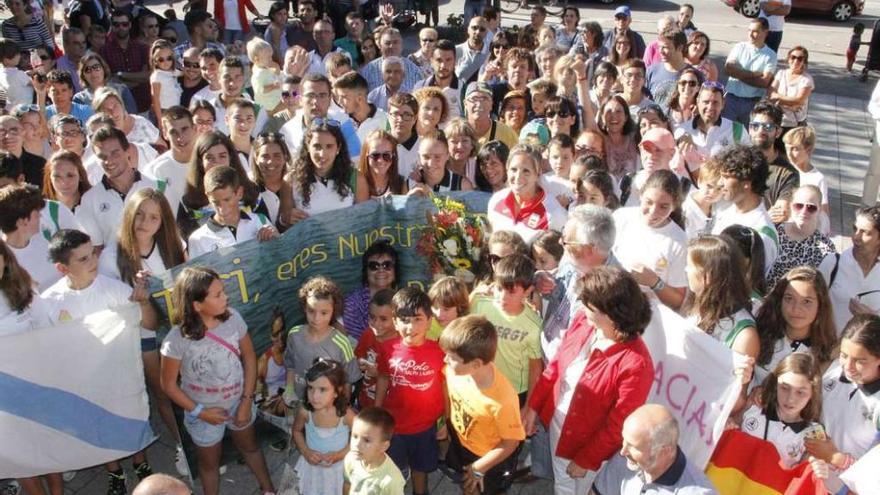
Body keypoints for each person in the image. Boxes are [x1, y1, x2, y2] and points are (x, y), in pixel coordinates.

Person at [38, 228, 159, 494]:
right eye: (83, 259)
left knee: (132, 419)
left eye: (92, 254)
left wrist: (143, 303)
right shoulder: (50, 302)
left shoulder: (113, 289)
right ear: (62, 267)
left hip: (121, 375)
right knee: (98, 426)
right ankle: (114, 472)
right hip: (84, 381)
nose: (93, 262)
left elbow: (149, 323)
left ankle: (141, 464)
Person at [524, 266, 654, 494]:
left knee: (578, 489)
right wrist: (533, 407)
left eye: (589, 305)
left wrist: (587, 460)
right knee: (562, 484)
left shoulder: (636, 364)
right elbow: (556, 365)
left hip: (588, 443)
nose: (582, 308)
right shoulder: (583, 320)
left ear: (612, 314)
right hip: (558, 427)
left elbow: (617, 425)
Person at [159, 266, 276, 495]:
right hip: (202, 413)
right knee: (209, 464)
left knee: (250, 447)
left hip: (238, 402)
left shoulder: (234, 319)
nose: (226, 297)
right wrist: (201, 413)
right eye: (218, 294)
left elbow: (250, 358)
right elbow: (168, 385)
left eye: (223, 291)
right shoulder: (176, 340)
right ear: (196, 305)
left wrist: (246, 400)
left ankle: (268, 489)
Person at [440, 315, 527, 495]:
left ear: (476, 364)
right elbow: (446, 387)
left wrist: (480, 467)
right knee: (468, 483)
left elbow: (510, 443)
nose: (445, 360)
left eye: (452, 357)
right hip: (462, 442)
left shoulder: (503, 400)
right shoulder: (454, 371)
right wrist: (445, 420)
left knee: (486, 489)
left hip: (490, 458)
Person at [374, 287, 445, 495]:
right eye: (404, 320)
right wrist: (377, 411)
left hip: (425, 427)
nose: (410, 326)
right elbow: (383, 377)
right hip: (395, 425)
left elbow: (446, 387)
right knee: (392, 470)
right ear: (395, 321)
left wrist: (445, 422)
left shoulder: (439, 351)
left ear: (429, 321)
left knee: (420, 469)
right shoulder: (388, 349)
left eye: (417, 319)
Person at [75, 126, 175, 249]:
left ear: (127, 151)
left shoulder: (159, 188)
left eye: (114, 153)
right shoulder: (89, 199)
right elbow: (97, 249)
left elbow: (173, 235)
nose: (108, 161)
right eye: (102, 156)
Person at [592, 404, 715, 494]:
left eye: (634, 447)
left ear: (665, 451)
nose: (623, 451)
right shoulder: (626, 460)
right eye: (624, 440)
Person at [470, 254, 543, 405]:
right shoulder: (481, 305)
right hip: (483, 384)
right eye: (499, 288)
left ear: (528, 291)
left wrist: (529, 407)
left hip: (515, 391)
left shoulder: (533, 325)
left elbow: (535, 368)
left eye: (511, 292)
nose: (502, 297)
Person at [808, 314, 880, 465]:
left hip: (845, 487)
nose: (848, 366)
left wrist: (837, 458)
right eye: (844, 355)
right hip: (811, 476)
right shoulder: (830, 371)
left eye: (860, 361)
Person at [684, 234, 759, 376]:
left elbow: (739, 396)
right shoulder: (697, 306)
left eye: (689, 266)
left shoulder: (744, 335)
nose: (686, 270)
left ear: (708, 274)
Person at [612, 170, 688, 309]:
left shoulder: (680, 243)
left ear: (674, 206)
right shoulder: (620, 217)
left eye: (663, 206)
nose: (653, 211)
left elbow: (678, 301)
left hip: (645, 314)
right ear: (640, 195)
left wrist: (654, 281)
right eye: (649, 202)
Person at [283, 275, 362, 403]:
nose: (316, 318)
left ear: (333, 311)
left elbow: (349, 380)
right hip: (299, 401)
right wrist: (289, 389)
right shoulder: (294, 335)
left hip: (329, 407)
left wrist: (342, 407)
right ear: (304, 308)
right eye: (311, 311)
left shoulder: (341, 343)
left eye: (324, 313)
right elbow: (290, 365)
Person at [755, 266, 838, 379]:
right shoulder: (759, 334)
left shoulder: (827, 352)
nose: (796, 309)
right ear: (780, 300)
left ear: (820, 305)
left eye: (806, 301)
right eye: (789, 299)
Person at [291, 359, 356, 495]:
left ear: (337, 391)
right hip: (312, 469)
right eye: (310, 388)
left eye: (322, 390)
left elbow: (358, 439)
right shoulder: (305, 412)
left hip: (338, 470)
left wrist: (339, 455)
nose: (314, 396)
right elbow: (296, 431)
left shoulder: (346, 415)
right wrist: (305, 451)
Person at [711, 145, 779, 271]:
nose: (720, 183)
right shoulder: (726, 212)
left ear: (746, 183)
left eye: (726, 177)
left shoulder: (762, 234)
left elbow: (751, 284)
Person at [187, 166, 279, 258]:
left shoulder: (260, 221)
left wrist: (277, 238)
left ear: (239, 193)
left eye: (227, 200)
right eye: (215, 202)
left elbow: (279, 257)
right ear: (208, 196)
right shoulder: (198, 239)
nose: (222, 209)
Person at [487, 145, 567, 246]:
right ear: (506, 170)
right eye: (513, 169)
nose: (518, 177)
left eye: (526, 171)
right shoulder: (496, 200)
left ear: (537, 174)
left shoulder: (554, 214)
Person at [818, 206, 880, 333]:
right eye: (855, 229)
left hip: (865, 349)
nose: (856, 237)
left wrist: (872, 319)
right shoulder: (833, 263)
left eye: (865, 232)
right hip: (826, 345)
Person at [290, 120, 367, 216]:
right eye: (317, 146)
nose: (322, 154)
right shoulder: (290, 181)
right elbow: (283, 226)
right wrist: (285, 221)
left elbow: (364, 222)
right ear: (308, 147)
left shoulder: (356, 178)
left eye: (329, 146)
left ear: (338, 148)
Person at [766, 186, 836, 288]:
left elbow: (823, 289)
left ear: (820, 209)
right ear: (790, 205)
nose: (804, 212)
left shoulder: (826, 249)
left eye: (811, 207)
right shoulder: (773, 234)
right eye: (799, 206)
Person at [674, 81, 750, 173]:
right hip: (691, 185)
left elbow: (747, 164)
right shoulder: (681, 130)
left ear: (723, 104)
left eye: (715, 103)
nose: (710, 107)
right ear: (698, 101)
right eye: (706, 102)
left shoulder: (738, 130)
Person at [0, 181, 60, 289]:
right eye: (36, 213)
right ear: (22, 222)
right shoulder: (3, 260)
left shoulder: (45, 242)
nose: (40, 215)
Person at [723, 18, 777, 124]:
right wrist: (753, 74)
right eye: (749, 30)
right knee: (726, 134)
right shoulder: (739, 47)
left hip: (752, 103)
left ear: (765, 32)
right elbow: (728, 69)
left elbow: (764, 82)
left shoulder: (771, 55)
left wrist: (737, 74)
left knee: (747, 137)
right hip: (731, 99)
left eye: (755, 31)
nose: (751, 34)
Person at [343, 239, 400, 341]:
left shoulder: (403, 300)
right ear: (366, 271)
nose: (381, 270)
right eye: (374, 266)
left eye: (387, 265)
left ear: (395, 270)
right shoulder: (352, 304)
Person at [344, 406, 406, 495]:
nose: (357, 444)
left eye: (366, 440)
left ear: (383, 446)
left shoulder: (392, 480)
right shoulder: (350, 458)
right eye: (355, 436)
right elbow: (347, 484)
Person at [353, 289, 398, 409]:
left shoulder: (402, 344)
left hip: (390, 408)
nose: (376, 324)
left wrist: (378, 374)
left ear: (397, 318)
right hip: (365, 400)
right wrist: (361, 363)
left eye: (383, 319)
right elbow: (359, 355)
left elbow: (401, 381)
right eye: (372, 317)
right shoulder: (368, 334)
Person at [100, 9, 151, 113]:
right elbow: (109, 81)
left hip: (144, 105)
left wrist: (121, 75)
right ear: (112, 26)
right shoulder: (104, 51)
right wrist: (138, 79)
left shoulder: (142, 48)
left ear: (130, 25)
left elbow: (149, 76)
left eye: (124, 24)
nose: (121, 28)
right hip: (118, 109)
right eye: (116, 24)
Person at [783, 126, 829, 231]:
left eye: (795, 149)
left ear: (808, 150)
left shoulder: (817, 179)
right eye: (787, 149)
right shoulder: (783, 170)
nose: (789, 154)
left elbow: (823, 213)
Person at [92, 86, 161, 148]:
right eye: (107, 109)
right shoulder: (100, 137)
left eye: (115, 106)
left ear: (121, 105)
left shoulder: (140, 123)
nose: (113, 112)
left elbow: (163, 147)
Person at [409, 132, 474, 195]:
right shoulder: (411, 182)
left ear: (448, 155)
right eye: (426, 157)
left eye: (437, 157)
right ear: (419, 156)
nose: (430, 163)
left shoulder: (462, 186)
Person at [74, 52, 138, 115]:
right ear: (83, 75)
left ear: (104, 69)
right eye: (87, 70)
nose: (93, 73)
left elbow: (132, 116)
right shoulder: (79, 99)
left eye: (96, 67)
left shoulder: (122, 90)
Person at [769, 46, 814, 133]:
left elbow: (799, 100)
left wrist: (778, 98)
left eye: (800, 59)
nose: (796, 61)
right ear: (788, 58)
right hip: (776, 121)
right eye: (793, 57)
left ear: (804, 62)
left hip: (794, 125)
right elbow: (770, 94)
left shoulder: (807, 80)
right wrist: (790, 104)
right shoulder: (781, 73)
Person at [644, 28, 689, 110]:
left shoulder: (693, 75)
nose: (660, 51)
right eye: (659, 47)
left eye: (665, 47)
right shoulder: (652, 71)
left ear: (680, 48)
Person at [0, 115, 46, 189]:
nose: (8, 136)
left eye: (14, 131)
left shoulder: (40, 165)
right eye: (2, 132)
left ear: (23, 134)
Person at [682, 157, 722, 239]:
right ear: (699, 181)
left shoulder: (720, 204)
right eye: (709, 186)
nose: (713, 193)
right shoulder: (686, 210)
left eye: (719, 188)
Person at [149, 40, 182, 135]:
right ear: (155, 61)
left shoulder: (172, 72)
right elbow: (155, 100)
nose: (166, 62)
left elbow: (184, 72)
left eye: (169, 58)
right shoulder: (157, 76)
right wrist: (160, 121)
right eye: (161, 59)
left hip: (174, 109)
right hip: (163, 111)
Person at [427, 276, 469, 341]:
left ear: (460, 308)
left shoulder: (467, 331)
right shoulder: (427, 327)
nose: (439, 315)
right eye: (435, 307)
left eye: (446, 309)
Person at [455, 16, 489, 85]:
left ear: (486, 33)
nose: (478, 32)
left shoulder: (490, 53)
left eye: (482, 29)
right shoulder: (455, 51)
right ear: (468, 29)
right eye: (474, 28)